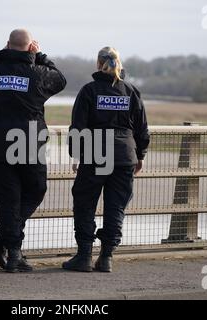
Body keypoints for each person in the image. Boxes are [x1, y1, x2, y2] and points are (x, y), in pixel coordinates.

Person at [0, 29, 66, 272]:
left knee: (7, 199)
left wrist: (2, 58)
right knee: (35, 189)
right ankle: (11, 250)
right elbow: (60, 79)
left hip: (0, 143)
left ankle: (6, 244)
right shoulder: (38, 74)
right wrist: (41, 56)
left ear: (7, 45)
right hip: (28, 142)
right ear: (30, 47)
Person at [63, 47, 150, 272]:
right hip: (124, 156)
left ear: (98, 63)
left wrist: (77, 154)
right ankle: (106, 258)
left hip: (94, 154)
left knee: (84, 204)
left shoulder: (89, 91)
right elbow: (142, 129)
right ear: (119, 64)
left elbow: (78, 127)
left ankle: (83, 257)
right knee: (116, 207)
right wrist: (140, 155)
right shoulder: (131, 91)